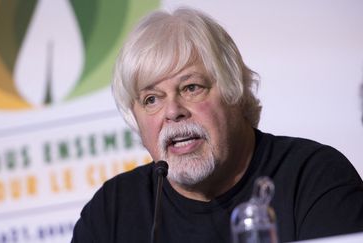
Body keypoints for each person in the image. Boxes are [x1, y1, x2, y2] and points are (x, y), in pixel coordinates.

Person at [71, 7, 363, 243]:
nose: (173, 112)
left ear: (234, 90)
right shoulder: (112, 212)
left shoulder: (315, 179)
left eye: (191, 88)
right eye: (151, 99)